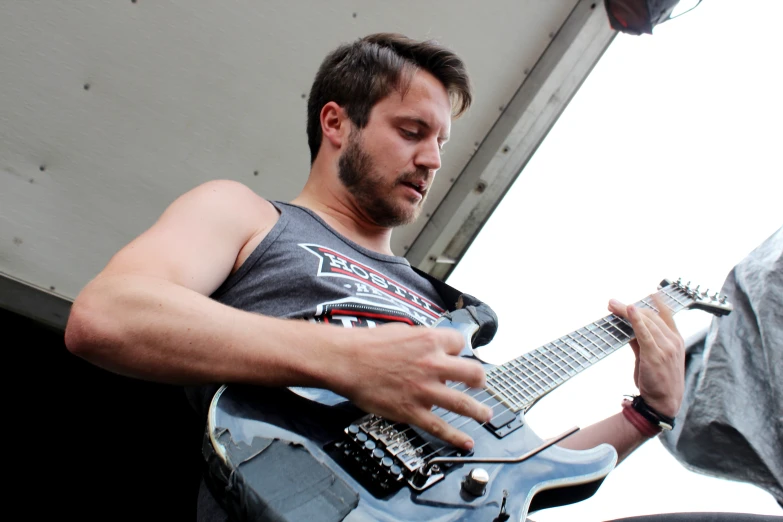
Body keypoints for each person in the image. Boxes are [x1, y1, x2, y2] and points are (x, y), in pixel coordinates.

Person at [64, 33, 763, 522]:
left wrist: (649, 412)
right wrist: (347, 359)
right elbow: (111, 314)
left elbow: (506, 473)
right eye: (410, 130)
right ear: (335, 122)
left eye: (440, 142)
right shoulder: (245, 213)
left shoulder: (444, 307)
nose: (431, 159)